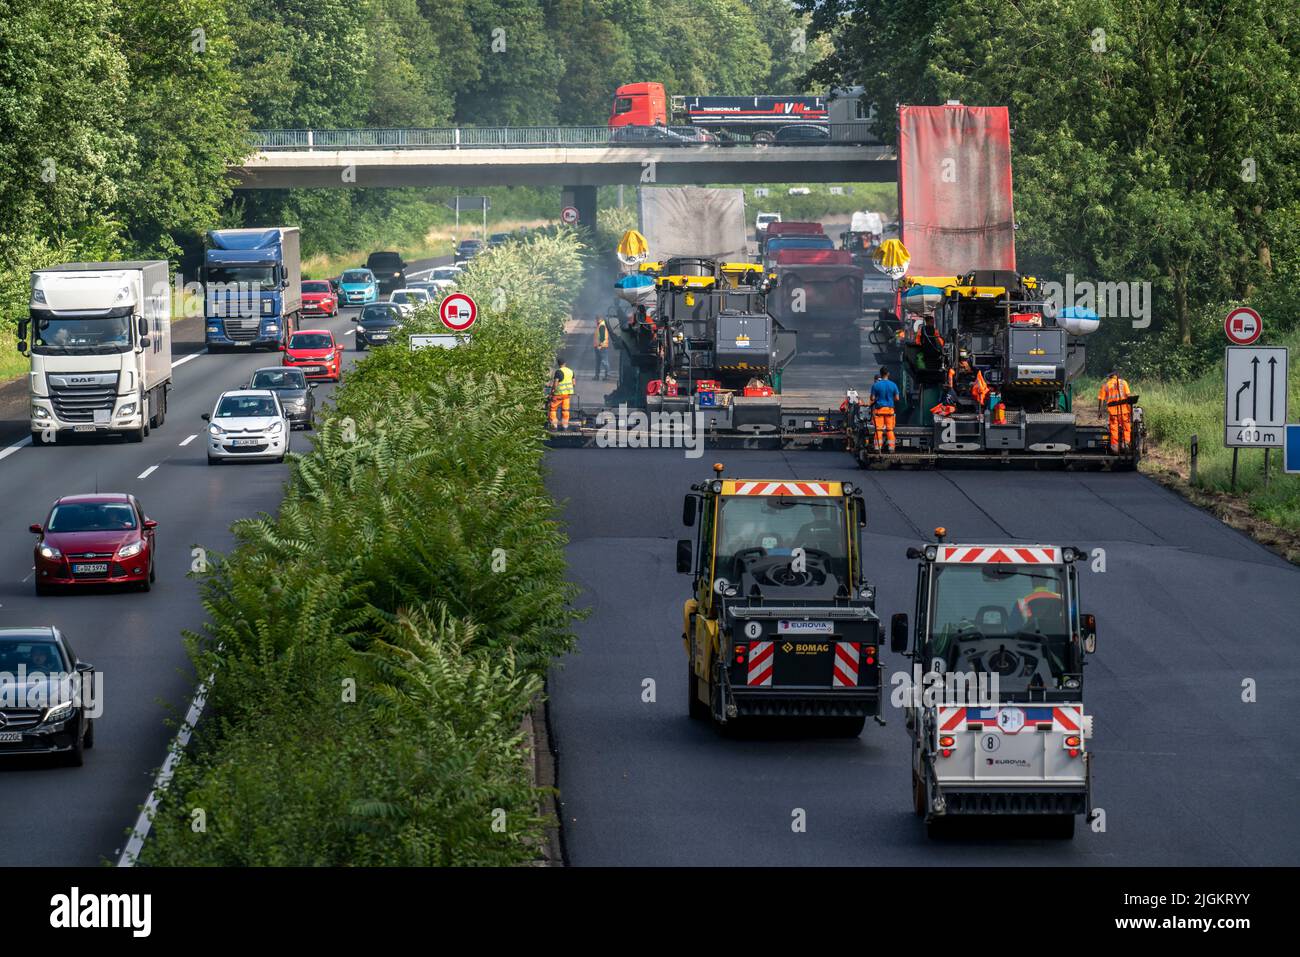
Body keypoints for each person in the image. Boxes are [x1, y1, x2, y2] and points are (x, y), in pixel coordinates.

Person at [1097, 368, 1133, 453]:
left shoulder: (1105, 385)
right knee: (1126, 428)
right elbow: (1128, 396)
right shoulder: (1124, 383)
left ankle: (1115, 447)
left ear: (1110, 376)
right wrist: (1130, 410)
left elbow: (1101, 400)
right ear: (1117, 375)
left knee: (1114, 429)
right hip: (1124, 410)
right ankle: (1126, 444)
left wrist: (1100, 411)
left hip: (1113, 412)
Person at [869, 367, 900, 452]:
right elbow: (897, 398)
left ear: (880, 373)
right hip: (890, 410)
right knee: (890, 430)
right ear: (888, 374)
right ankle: (891, 448)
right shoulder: (893, 385)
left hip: (879, 410)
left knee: (878, 430)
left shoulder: (876, 385)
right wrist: (890, 400)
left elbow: (872, 398)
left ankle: (877, 447)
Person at [548, 354, 575, 430]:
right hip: (567, 395)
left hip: (558, 394)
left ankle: (554, 426)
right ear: (565, 363)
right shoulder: (571, 371)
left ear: (558, 364)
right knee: (565, 410)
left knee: (552, 409)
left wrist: (552, 391)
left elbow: (556, 383)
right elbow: (574, 383)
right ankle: (565, 426)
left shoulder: (558, 372)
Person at [593, 314, 611, 380]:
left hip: (602, 347)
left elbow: (602, 337)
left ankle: (607, 375)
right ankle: (597, 376)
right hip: (599, 346)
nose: (595, 321)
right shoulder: (600, 325)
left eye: (596, 319)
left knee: (604, 361)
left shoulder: (602, 325)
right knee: (598, 362)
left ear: (599, 319)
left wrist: (600, 345)